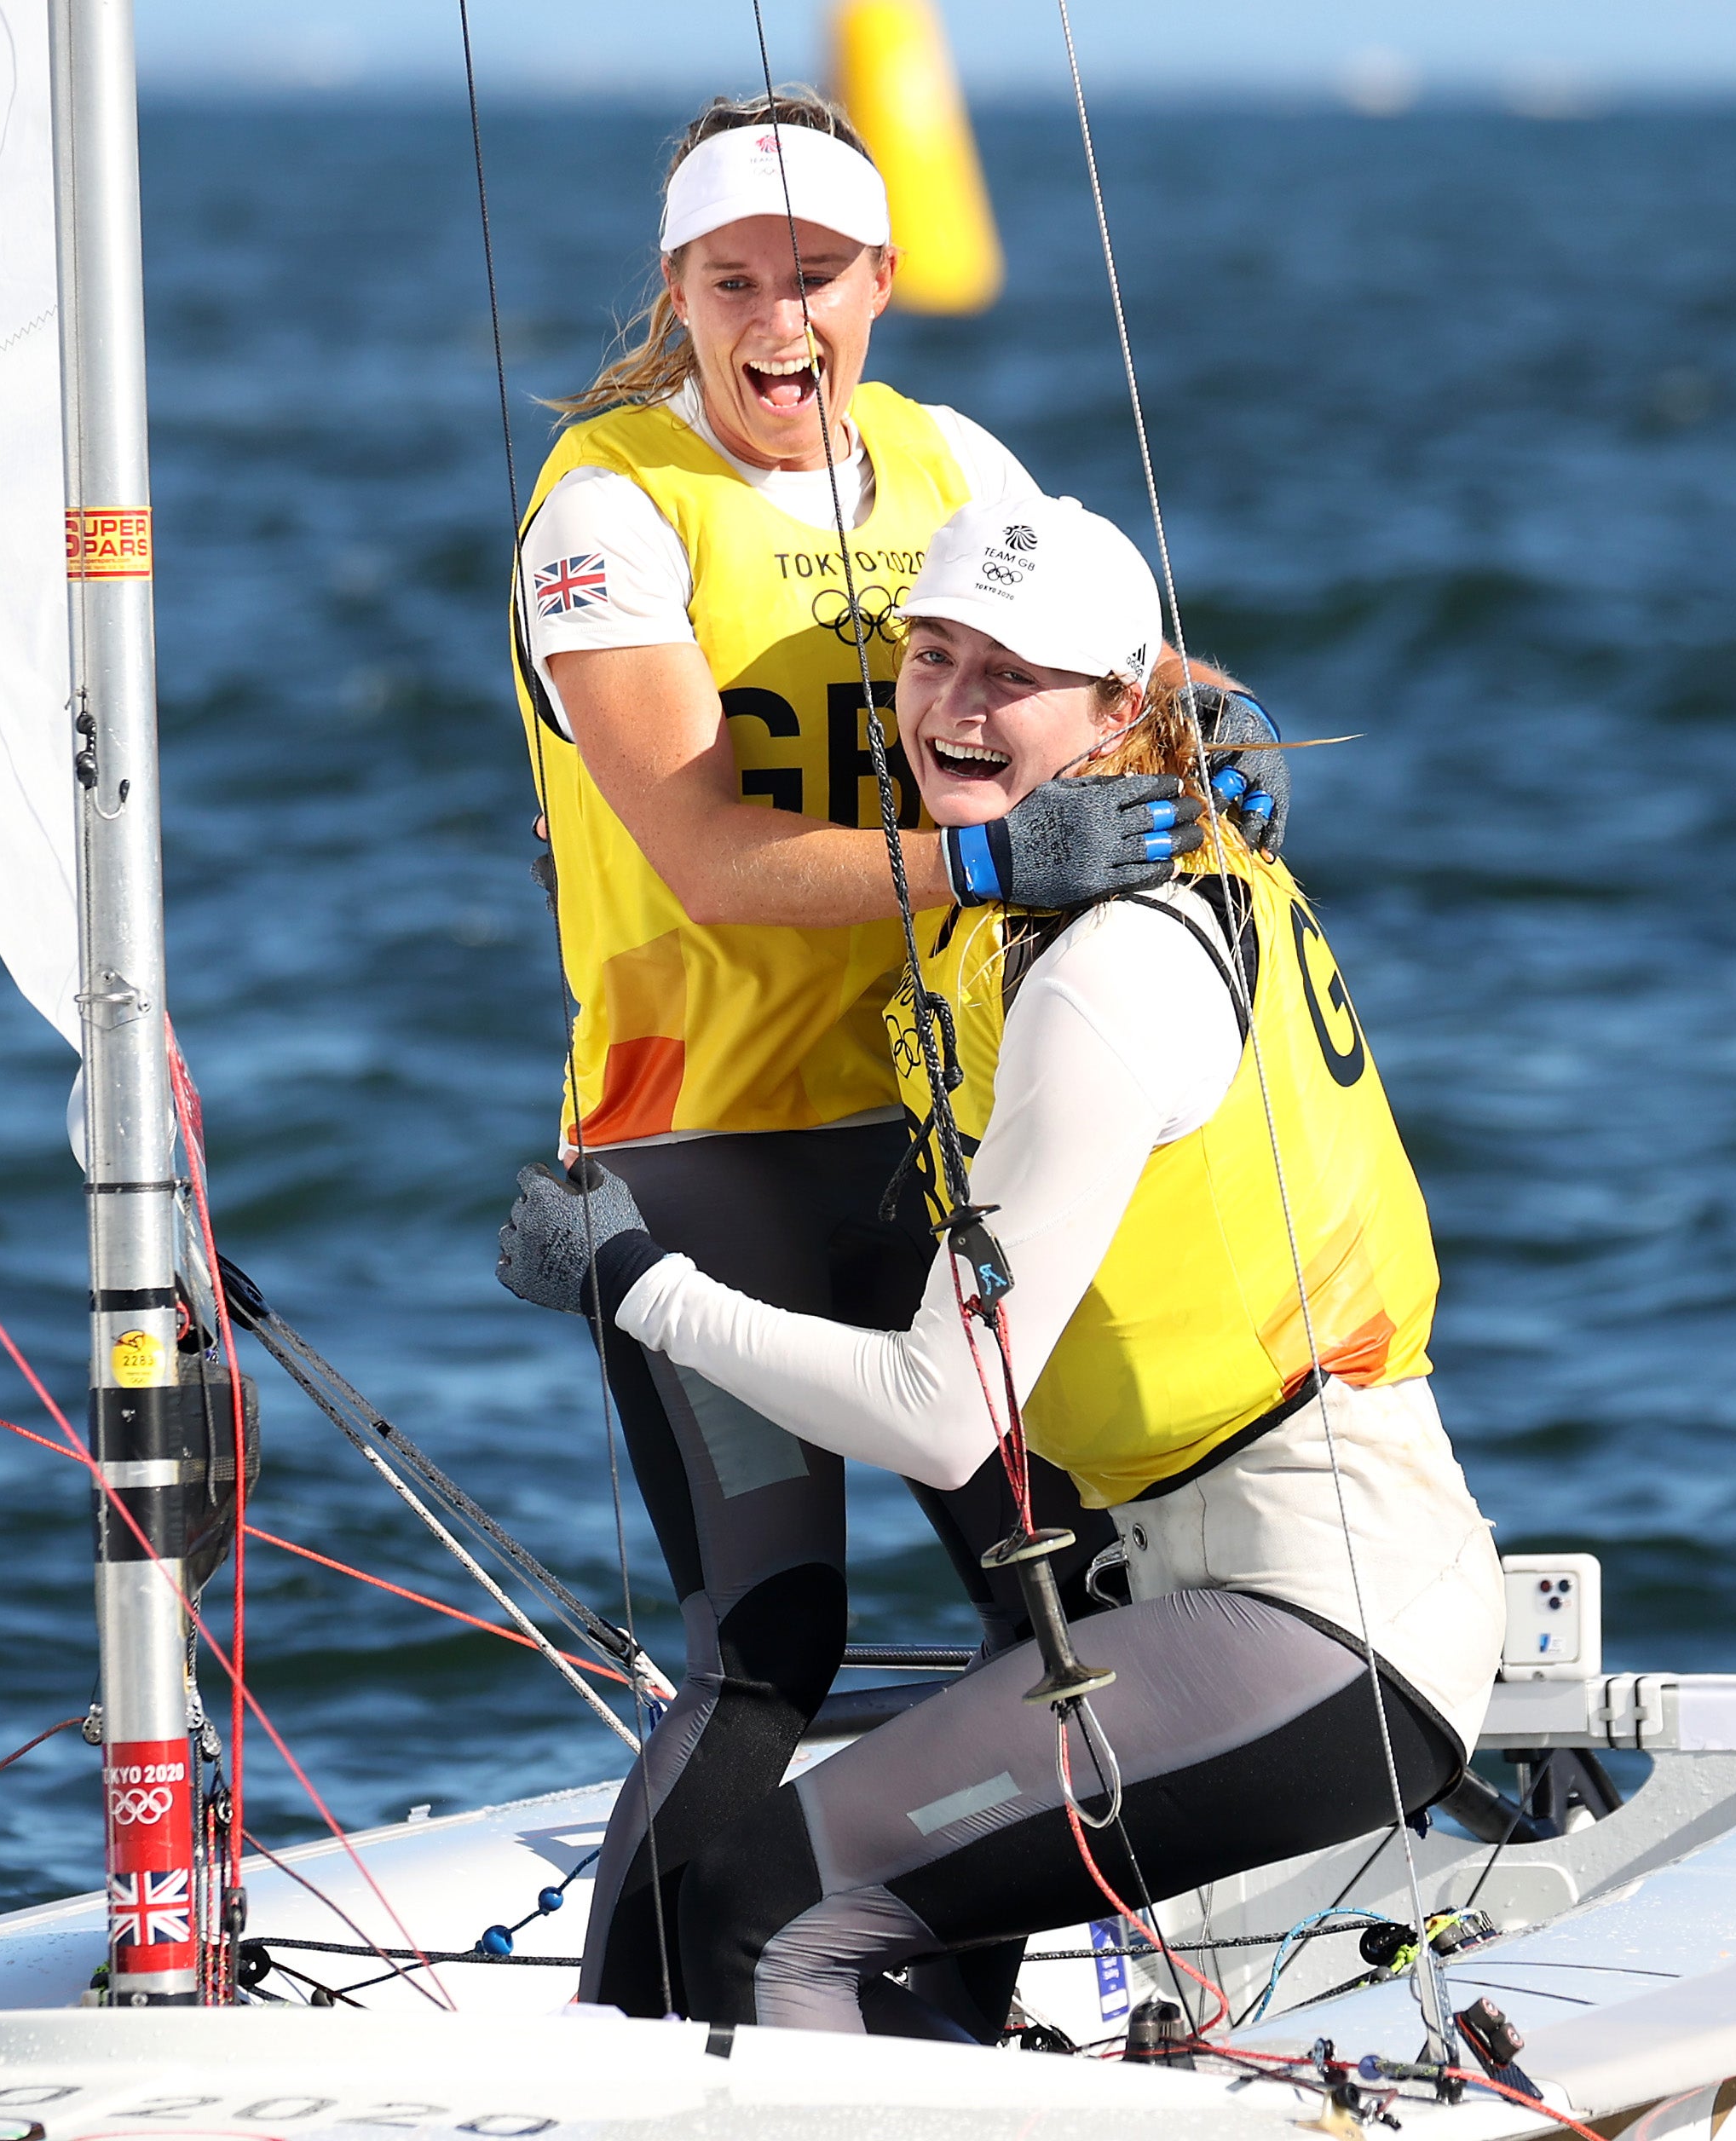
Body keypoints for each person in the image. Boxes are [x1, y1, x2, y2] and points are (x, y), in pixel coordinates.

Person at [499, 493, 1502, 2036]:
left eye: (1012, 678)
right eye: (934, 655)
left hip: (1320, 1617)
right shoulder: (1086, 885)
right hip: (1219, 1591)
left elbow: (942, 1415)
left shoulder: (1106, 972)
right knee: (862, 1911)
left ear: (1121, 710)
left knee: (772, 1908)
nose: (957, 707)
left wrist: (634, 1281)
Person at [504, 90, 1285, 2023]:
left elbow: (1106, 650)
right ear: (678, 292)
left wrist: (1208, 695)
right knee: (771, 1645)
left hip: (938, 1138)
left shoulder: (950, 458)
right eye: (734, 281)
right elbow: (703, 852)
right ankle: (629, 2051)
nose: (781, 321)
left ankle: (941, 2016)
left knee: (1069, 1614)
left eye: (818, 276)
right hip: (702, 1151)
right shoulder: (606, 510)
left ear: (882, 281)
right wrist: (989, 856)